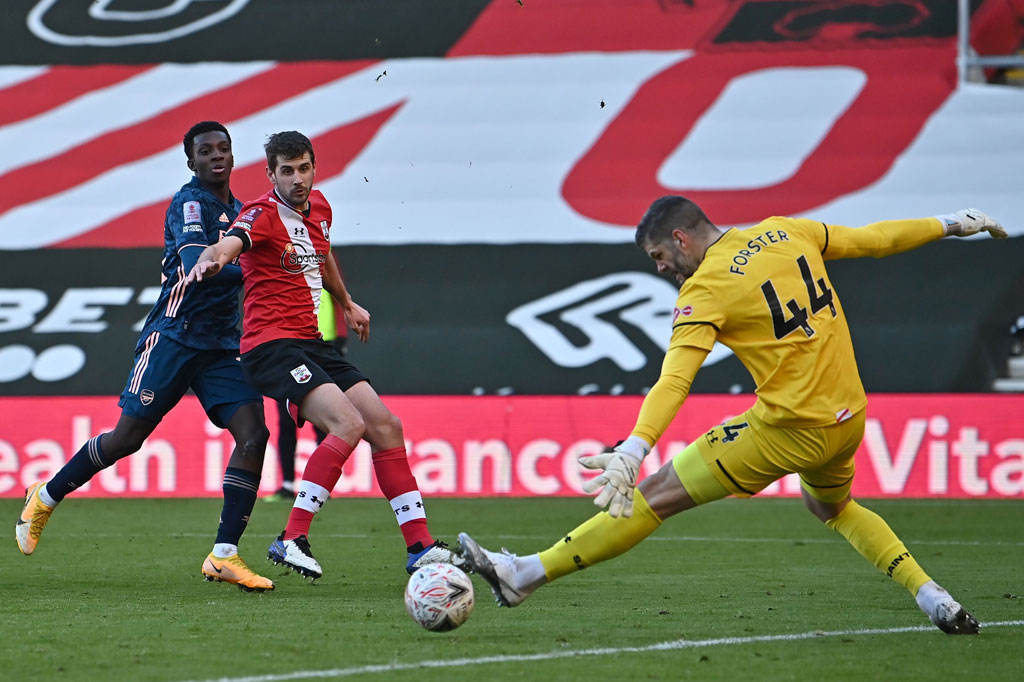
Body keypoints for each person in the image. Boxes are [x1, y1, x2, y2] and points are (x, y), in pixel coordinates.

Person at [458, 199, 1008, 634]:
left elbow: (676, 377)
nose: (661, 269)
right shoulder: (786, 230)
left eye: (658, 257)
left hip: (787, 431)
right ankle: (929, 592)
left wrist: (634, 446)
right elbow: (874, 240)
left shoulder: (705, 289)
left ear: (680, 237)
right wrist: (952, 223)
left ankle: (523, 574)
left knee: (654, 493)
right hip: (848, 420)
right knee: (832, 507)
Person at [185, 130, 458, 581]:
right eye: (287, 171)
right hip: (269, 347)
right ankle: (291, 538)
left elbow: (322, 252)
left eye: (304, 168)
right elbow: (230, 244)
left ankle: (420, 547)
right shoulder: (262, 214)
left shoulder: (322, 208)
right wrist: (212, 259)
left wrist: (347, 302)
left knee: (387, 427)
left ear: (314, 167)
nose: (297, 179)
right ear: (270, 174)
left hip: (311, 341)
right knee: (348, 424)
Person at [16, 121, 274, 592]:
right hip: (174, 335)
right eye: (205, 150)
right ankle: (46, 495)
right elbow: (202, 264)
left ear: (233, 156)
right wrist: (254, 273)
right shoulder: (190, 203)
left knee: (254, 433)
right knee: (126, 439)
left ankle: (224, 554)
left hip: (220, 348)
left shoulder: (241, 213)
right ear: (191, 161)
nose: (217, 156)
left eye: (224, 148)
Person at [268, 280, 349, 501]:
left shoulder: (323, 253)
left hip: (324, 346)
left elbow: (338, 293)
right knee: (286, 420)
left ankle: (321, 485)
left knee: (323, 420)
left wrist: (341, 337)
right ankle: (286, 484)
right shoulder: (283, 260)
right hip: (291, 346)